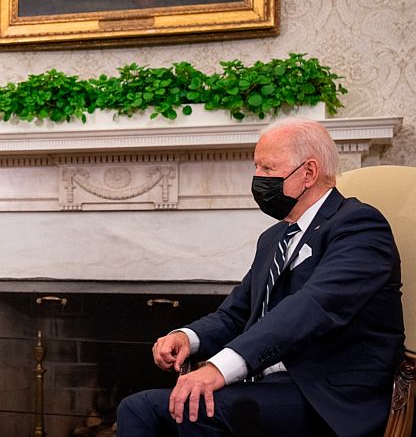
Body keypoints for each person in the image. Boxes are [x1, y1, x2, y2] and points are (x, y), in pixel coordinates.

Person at [117, 117, 405, 437]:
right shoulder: (274, 238)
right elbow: (237, 312)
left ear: (308, 172)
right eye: (256, 167)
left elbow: (312, 307)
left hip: (328, 396)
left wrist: (218, 369)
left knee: (190, 409)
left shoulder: (359, 226)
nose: (257, 178)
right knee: (136, 408)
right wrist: (187, 337)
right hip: (270, 386)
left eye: (267, 168)